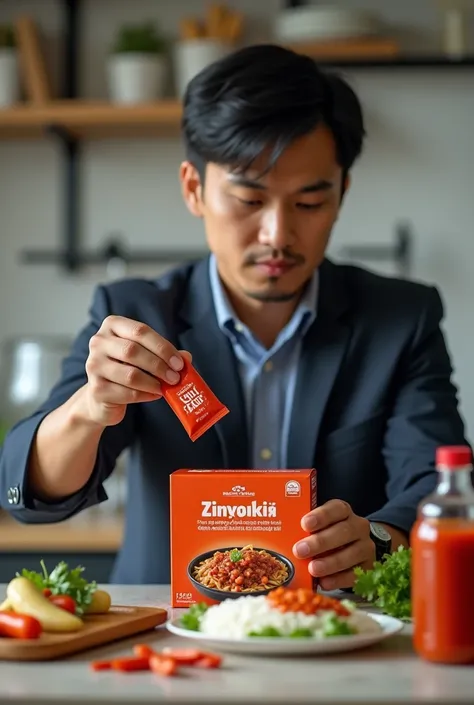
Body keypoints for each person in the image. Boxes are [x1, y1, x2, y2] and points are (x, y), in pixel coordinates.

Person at [0, 45, 469, 587]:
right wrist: (88, 408)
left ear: (342, 193)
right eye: (249, 200)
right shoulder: (136, 314)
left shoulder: (399, 319)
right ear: (194, 189)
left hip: (334, 630)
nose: (277, 235)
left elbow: (440, 484)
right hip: (169, 636)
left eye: (310, 203)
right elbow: (33, 496)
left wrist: (382, 539)